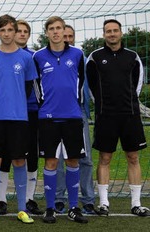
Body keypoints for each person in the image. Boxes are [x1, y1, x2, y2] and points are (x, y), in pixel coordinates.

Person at [86, 19, 150, 217]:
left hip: (130, 115)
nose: (112, 34)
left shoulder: (133, 57)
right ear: (104, 34)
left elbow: (137, 86)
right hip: (106, 116)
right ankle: (104, 203)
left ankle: (136, 203)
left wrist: (128, 103)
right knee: (105, 158)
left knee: (133, 157)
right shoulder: (95, 57)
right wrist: (104, 106)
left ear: (121, 33)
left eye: (115, 30)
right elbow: (91, 87)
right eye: (108, 31)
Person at [33, 16, 89, 224]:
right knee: (51, 162)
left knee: (73, 160)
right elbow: (35, 85)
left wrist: (76, 105)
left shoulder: (77, 54)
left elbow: (81, 82)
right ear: (47, 33)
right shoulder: (38, 56)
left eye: (59, 28)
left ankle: (74, 207)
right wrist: (45, 106)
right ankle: (50, 208)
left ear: (64, 31)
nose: (56, 32)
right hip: (48, 118)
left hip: (73, 117)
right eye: (52, 29)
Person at [0, 14, 37, 224]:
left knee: (19, 160)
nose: (6, 34)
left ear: (15, 32)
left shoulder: (25, 58)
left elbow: (28, 87)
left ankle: (22, 209)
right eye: (2, 30)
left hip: (18, 118)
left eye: (10, 30)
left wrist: (14, 102)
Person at [0, 19, 43, 216]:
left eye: (25, 31)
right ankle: (1, 199)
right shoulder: (0, 56)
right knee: (5, 155)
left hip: (30, 113)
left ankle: (29, 199)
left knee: (30, 155)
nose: (21, 34)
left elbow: (39, 87)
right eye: (19, 31)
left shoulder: (34, 58)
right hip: (6, 114)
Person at [54, 24, 96, 215]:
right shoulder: (52, 58)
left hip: (78, 112)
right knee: (60, 158)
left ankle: (88, 199)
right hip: (57, 113)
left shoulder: (81, 57)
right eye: (65, 35)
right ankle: (60, 199)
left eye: (71, 35)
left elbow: (91, 85)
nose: (67, 38)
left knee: (85, 158)